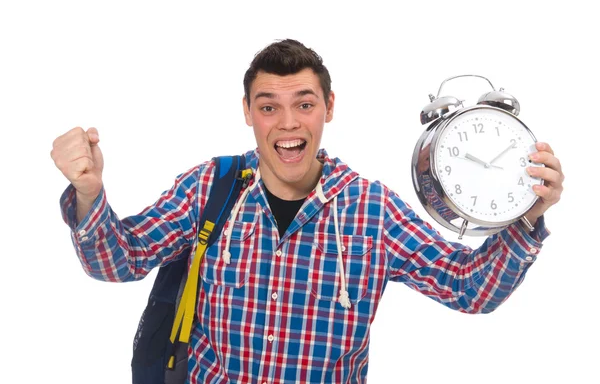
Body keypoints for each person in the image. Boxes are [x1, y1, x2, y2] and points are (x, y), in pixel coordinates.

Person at [51, 39, 564, 384]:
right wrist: (90, 195)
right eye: (269, 105)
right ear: (248, 112)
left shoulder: (371, 209)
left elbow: (468, 287)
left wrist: (526, 216)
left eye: (304, 103)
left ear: (329, 107)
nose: (287, 123)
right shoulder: (211, 185)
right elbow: (118, 261)